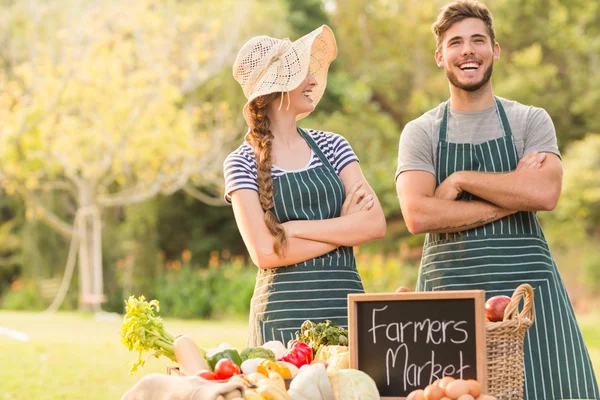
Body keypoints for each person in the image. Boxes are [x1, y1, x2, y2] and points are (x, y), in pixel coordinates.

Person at [395, 1, 599, 399]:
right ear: (440, 56)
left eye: (478, 40)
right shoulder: (420, 132)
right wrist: (512, 195)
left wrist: (460, 179)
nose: (467, 50)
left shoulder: (530, 120)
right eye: (456, 43)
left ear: (496, 49)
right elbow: (418, 213)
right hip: (449, 300)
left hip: (529, 297)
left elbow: (545, 193)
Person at [224, 25, 386, 347]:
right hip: (281, 322)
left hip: (344, 308)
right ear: (276, 88)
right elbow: (265, 253)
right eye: (301, 73)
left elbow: (375, 224)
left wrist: (294, 229)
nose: (313, 80)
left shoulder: (334, 146)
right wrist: (343, 229)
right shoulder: (240, 162)